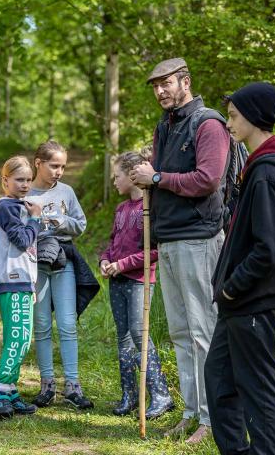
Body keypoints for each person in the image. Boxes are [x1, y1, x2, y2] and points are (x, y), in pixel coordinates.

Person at [205, 83, 275, 455]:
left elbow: (270, 247)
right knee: (218, 381)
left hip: (252, 300)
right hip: (238, 303)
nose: (228, 124)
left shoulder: (266, 172)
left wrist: (233, 286)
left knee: (259, 388)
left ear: (253, 118)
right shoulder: (258, 167)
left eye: (233, 117)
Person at [131, 57, 230, 443]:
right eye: (155, 86)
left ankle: (212, 420)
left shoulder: (209, 122)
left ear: (185, 81)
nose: (160, 91)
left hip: (200, 238)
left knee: (204, 330)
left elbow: (208, 179)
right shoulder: (164, 126)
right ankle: (191, 413)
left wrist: (155, 176)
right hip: (169, 239)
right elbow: (162, 179)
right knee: (181, 333)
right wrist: (148, 178)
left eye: (166, 83)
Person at [100, 149, 174, 418]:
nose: (114, 181)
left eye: (117, 175)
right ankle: (129, 395)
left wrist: (124, 264)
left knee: (138, 333)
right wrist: (106, 261)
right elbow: (112, 241)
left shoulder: (150, 208)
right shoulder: (121, 209)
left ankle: (161, 394)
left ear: (133, 175)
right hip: (117, 280)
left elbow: (155, 250)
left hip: (139, 280)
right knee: (124, 336)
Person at [26, 140, 98, 410]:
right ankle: (47, 384)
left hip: (63, 261)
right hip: (37, 265)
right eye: (54, 165)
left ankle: (73, 384)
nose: (59, 171)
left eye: (63, 166)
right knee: (42, 323)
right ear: (38, 163)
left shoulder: (66, 192)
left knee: (67, 323)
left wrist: (61, 221)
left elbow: (80, 224)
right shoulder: (26, 191)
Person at [0, 156, 41, 418]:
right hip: (12, 280)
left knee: (21, 338)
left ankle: (11, 391)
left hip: (23, 281)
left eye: (29, 180)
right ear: (5, 180)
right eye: (19, 179)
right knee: (17, 339)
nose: (25, 185)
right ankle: (1, 394)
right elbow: (21, 240)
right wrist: (35, 220)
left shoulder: (16, 206)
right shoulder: (7, 207)